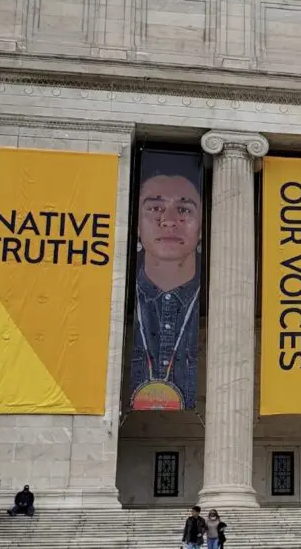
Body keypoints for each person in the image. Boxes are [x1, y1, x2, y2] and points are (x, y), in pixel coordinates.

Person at [130, 158, 203, 412]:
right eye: (155, 208)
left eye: (184, 210)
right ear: (137, 226)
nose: (169, 221)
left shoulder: (219, 302)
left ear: (202, 227)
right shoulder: (111, 301)